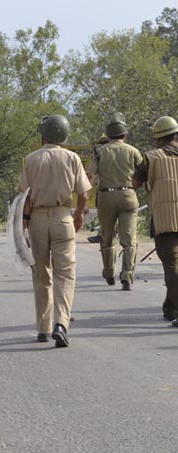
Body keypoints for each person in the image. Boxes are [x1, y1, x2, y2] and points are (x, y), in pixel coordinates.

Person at [19, 115, 91, 347]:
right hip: (63, 218)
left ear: (44, 135)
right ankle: (61, 324)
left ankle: (43, 328)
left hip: (38, 219)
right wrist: (78, 215)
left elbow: (25, 196)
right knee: (65, 273)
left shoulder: (31, 159)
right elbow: (84, 194)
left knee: (41, 273)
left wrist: (25, 222)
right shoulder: (72, 158)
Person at [87, 113, 143, 290]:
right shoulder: (133, 151)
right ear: (124, 134)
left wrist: (85, 198)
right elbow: (143, 173)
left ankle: (109, 271)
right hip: (128, 195)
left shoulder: (100, 151)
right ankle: (127, 275)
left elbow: (90, 176)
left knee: (107, 237)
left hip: (106, 196)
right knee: (129, 238)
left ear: (108, 134)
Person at [133, 115, 178, 327]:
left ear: (158, 139)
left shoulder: (150, 158)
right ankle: (170, 308)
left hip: (165, 220)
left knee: (172, 266)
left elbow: (135, 182)